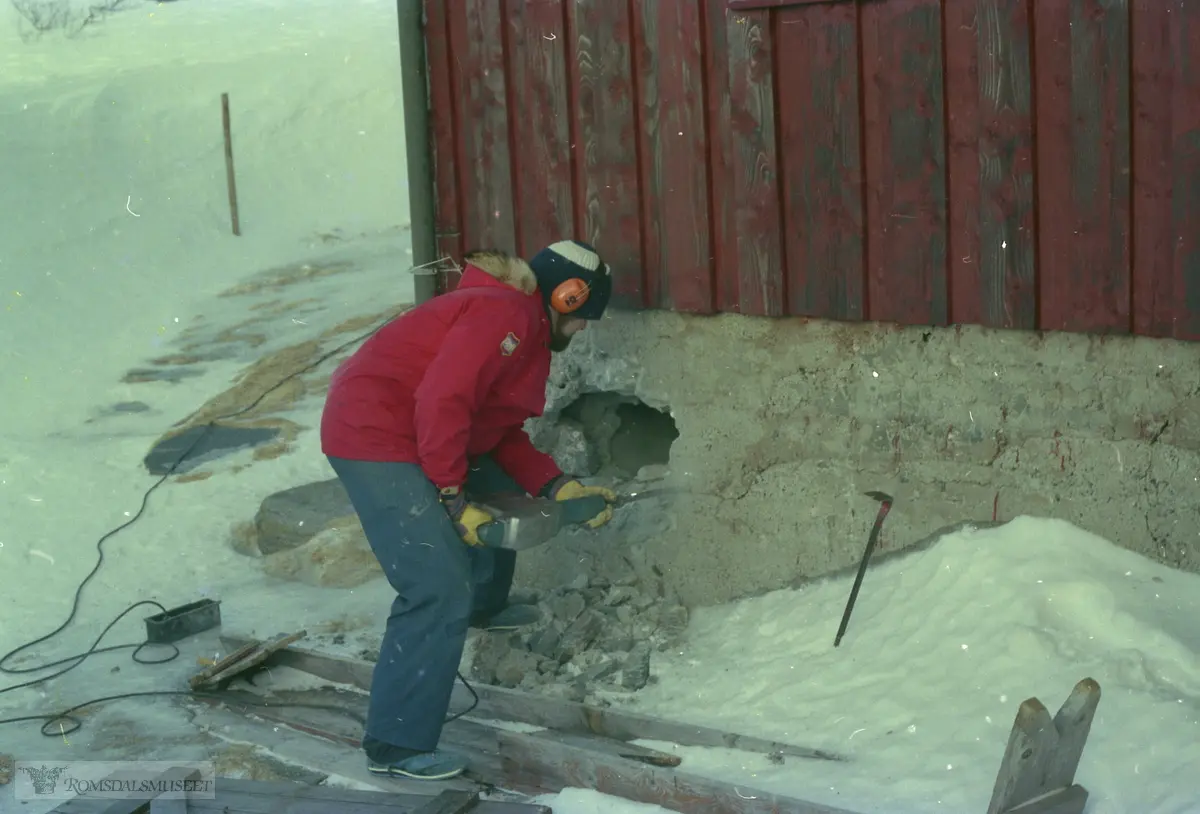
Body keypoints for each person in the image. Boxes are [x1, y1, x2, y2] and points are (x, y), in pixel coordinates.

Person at [319, 239, 618, 780]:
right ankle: (396, 742)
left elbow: (498, 434)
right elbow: (442, 402)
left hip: (414, 430)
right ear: (567, 298)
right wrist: (453, 498)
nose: (581, 331)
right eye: (583, 318)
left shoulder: (523, 329)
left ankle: (482, 603)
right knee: (435, 582)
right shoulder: (504, 316)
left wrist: (556, 486)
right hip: (375, 434)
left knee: (499, 487)